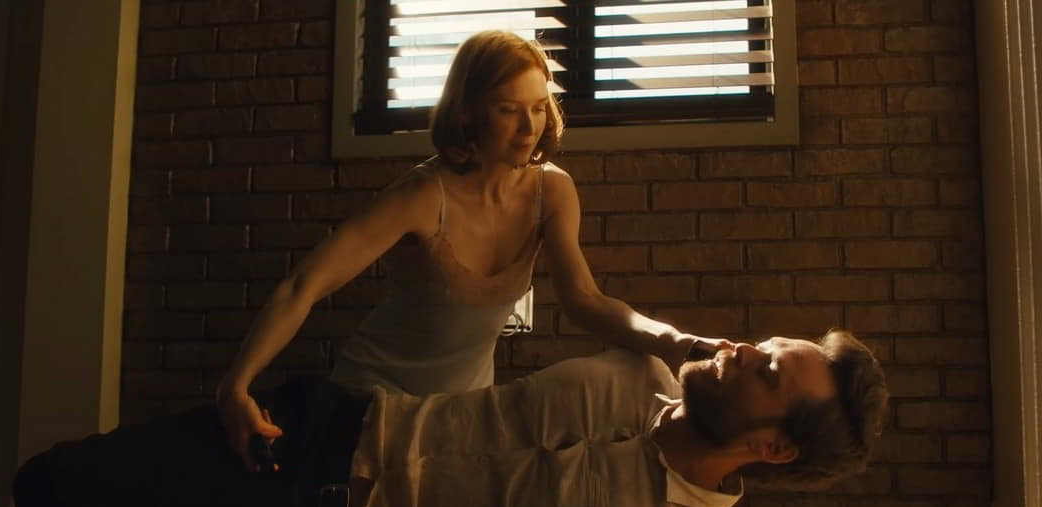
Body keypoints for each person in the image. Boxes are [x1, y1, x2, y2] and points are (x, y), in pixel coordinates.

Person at [0, 330, 888, 507]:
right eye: (765, 342)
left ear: (776, 448)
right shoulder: (635, 367)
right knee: (45, 484)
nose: (743, 349)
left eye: (769, 371)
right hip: (317, 428)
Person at [216, 30, 731, 473]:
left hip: (462, 413)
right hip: (371, 400)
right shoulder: (422, 195)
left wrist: (679, 343)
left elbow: (586, 301)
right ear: (466, 113)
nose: (529, 127)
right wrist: (236, 387)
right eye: (508, 110)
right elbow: (303, 285)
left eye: (538, 107)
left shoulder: (551, 191)